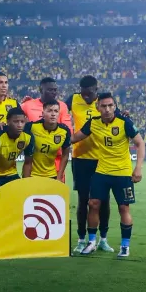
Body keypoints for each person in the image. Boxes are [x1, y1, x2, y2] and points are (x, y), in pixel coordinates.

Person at [71, 93, 145, 258]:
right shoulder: (93, 123)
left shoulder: (124, 122)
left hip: (123, 173)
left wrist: (138, 168)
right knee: (93, 203)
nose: (107, 109)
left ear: (115, 106)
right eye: (103, 106)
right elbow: (74, 138)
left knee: (123, 207)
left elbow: (140, 143)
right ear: (98, 108)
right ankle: (91, 242)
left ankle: (125, 246)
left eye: (110, 105)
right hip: (102, 171)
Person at [66, 76, 113, 253]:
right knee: (83, 200)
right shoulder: (73, 99)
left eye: (89, 94)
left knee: (104, 201)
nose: (86, 97)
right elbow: (58, 108)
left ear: (96, 89)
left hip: (102, 158)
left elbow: (117, 118)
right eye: (83, 94)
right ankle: (81, 239)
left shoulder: (103, 103)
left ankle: (103, 239)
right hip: (80, 158)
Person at [21, 77, 73, 181]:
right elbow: (15, 119)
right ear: (41, 90)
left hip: (56, 157)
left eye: (55, 90)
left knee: (56, 193)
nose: (53, 92)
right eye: (50, 89)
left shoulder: (62, 106)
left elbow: (68, 132)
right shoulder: (27, 105)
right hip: (35, 158)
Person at [0, 108, 34, 187]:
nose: (20, 125)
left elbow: (28, 162)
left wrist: (26, 183)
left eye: (22, 122)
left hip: (11, 173)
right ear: (8, 122)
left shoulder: (28, 137)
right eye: (16, 122)